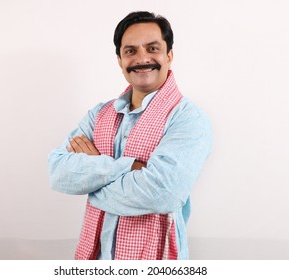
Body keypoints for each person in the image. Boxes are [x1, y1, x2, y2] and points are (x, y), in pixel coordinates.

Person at [48, 11, 212, 260]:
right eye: (131, 51)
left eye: (152, 48)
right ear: (120, 59)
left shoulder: (187, 118)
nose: (142, 58)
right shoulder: (100, 114)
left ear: (169, 55)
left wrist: (93, 179)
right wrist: (132, 168)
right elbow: (58, 173)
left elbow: (163, 193)